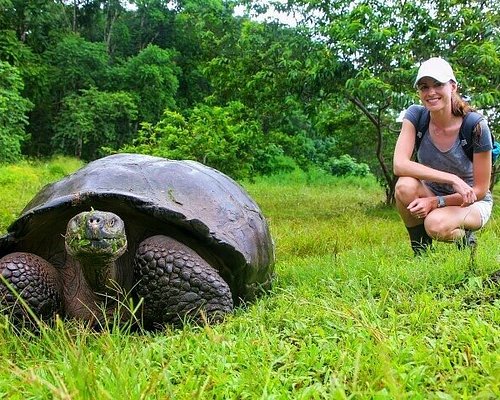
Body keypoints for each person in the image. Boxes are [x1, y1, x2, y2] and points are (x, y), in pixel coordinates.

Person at [393, 57, 493, 256]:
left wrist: (436, 202)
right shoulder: (416, 116)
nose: (430, 93)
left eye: (438, 84)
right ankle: (422, 253)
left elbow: (480, 190)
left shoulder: (475, 126)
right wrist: (452, 179)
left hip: (471, 202)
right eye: (424, 87)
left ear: (453, 86)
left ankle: (466, 242)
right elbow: (399, 164)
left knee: (435, 224)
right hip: (433, 191)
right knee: (404, 186)